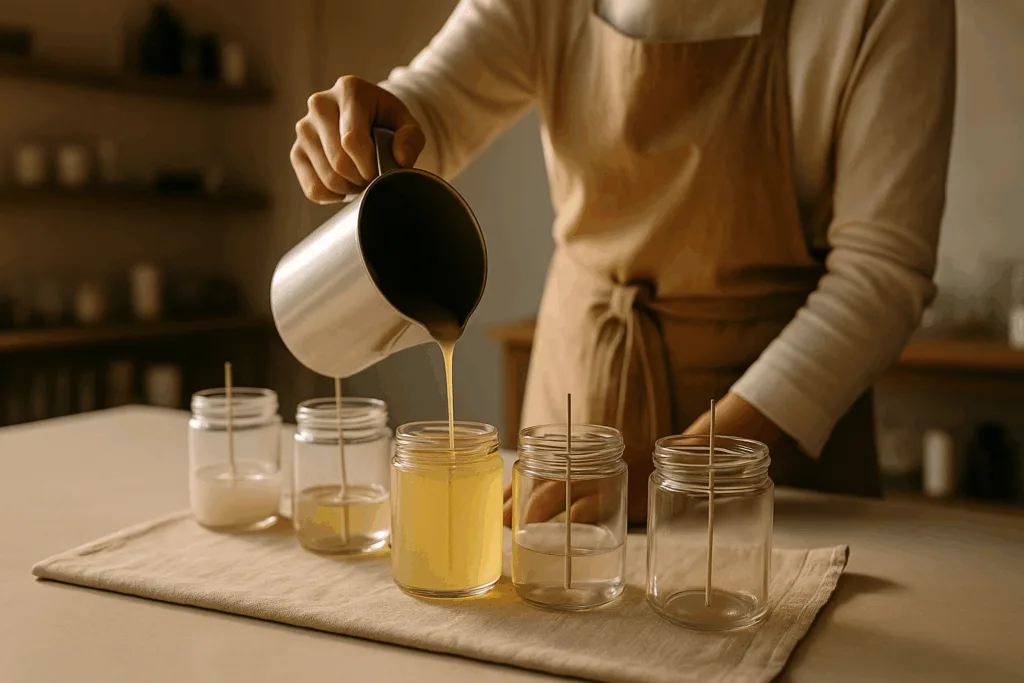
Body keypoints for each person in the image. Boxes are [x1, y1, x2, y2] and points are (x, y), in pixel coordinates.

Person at [290, 0, 957, 524]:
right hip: (578, 407)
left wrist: (684, 470)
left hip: (769, 452)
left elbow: (881, 272)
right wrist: (368, 127)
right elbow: (433, 108)